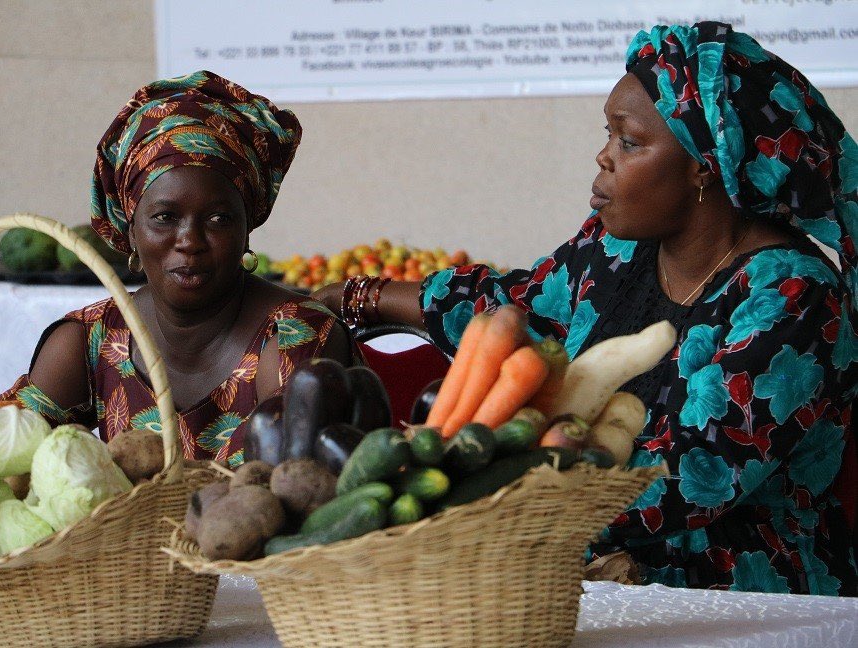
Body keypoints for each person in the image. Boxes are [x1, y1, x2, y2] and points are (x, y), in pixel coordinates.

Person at [316, 23, 858, 594]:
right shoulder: (615, 248)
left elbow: (695, 475)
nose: (603, 157)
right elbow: (511, 311)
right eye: (609, 135)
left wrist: (482, 499)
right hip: (571, 557)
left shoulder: (793, 295)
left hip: (738, 590)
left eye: (629, 141)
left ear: (705, 165)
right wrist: (356, 296)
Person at [0, 71, 358, 468]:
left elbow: (295, 487)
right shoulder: (90, 341)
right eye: (165, 217)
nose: (190, 241)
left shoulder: (292, 339)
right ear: (130, 230)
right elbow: (3, 454)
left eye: (219, 219)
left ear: (247, 228)